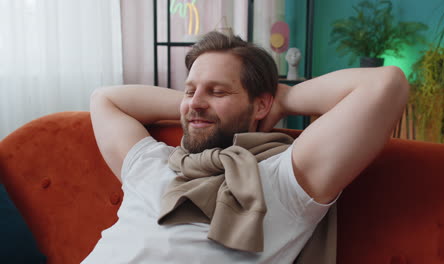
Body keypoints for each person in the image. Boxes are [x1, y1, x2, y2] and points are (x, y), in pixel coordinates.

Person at [82, 31, 409, 263]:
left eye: (218, 91)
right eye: (189, 89)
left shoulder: (284, 179)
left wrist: (284, 98)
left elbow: (386, 84)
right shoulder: (154, 162)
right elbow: (105, 99)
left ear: (261, 106)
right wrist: (200, 105)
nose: (195, 102)